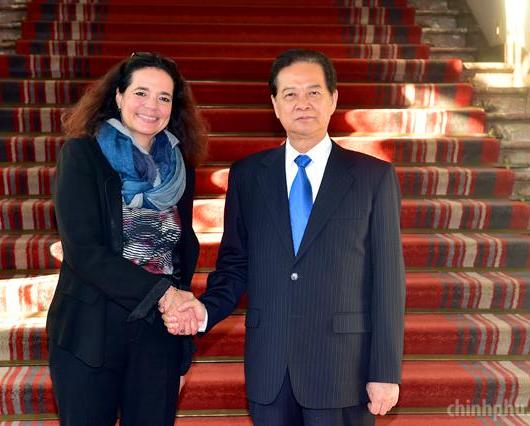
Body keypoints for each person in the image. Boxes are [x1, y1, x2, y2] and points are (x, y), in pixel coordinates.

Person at [163, 49, 405, 426]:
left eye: (314, 92)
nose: (302, 103)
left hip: (342, 369)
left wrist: (385, 371)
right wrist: (206, 309)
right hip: (270, 368)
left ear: (333, 99)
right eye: (290, 94)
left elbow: (388, 282)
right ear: (275, 105)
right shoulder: (248, 176)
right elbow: (235, 264)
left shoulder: (373, 178)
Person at [46, 52, 207, 426]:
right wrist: (164, 294)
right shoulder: (82, 155)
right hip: (91, 331)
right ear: (118, 96)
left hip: (158, 333)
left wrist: (181, 348)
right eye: (141, 93)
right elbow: (83, 251)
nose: (152, 106)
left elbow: (181, 253)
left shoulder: (181, 167)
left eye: (164, 97)